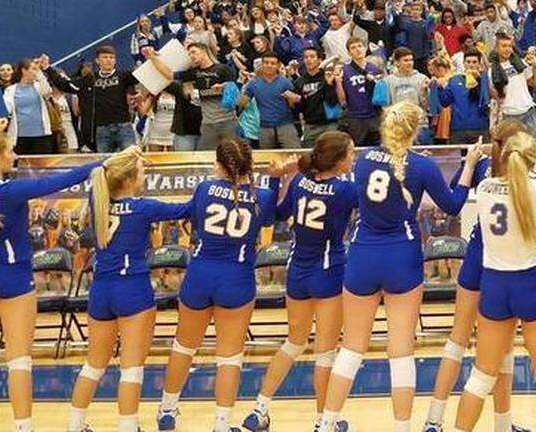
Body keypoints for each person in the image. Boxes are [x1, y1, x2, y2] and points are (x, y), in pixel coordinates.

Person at [318, 102, 482, 432]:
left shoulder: (363, 160)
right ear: (415, 129)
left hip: (363, 255)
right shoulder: (422, 165)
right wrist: (469, 165)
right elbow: (452, 205)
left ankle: (325, 424)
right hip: (401, 257)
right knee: (401, 351)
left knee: (350, 349)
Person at [0, 119, 102, 432]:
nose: (14, 155)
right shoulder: (10, 191)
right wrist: (103, 162)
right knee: (19, 360)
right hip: (12, 277)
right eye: (9, 151)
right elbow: (60, 181)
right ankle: (23, 428)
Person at [450, 130, 536, 432]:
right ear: (532, 160)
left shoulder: (484, 188)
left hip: (494, 287)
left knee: (481, 376)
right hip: (531, 284)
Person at [156, 139, 288, 432]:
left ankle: (166, 411)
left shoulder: (204, 189)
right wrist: (275, 179)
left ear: (219, 164)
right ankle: (221, 424)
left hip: (200, 274)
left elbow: (195, 218)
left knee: (183, 347)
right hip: (236, 278)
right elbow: (269, 220)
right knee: (229, 357)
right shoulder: (263, 195)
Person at [66, 146, 191, 432]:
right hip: (133, 289)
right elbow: (186, 209)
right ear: (128, 180)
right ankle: (128, 426)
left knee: (93, 365)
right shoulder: (143, 207)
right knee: (131, 368)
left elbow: (102, 171)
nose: (145, 176)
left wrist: (124, 156)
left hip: (101, 291)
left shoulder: (98, 200)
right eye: (142, 172)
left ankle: (75, 425)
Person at [243, 132, 358, 432]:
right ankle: (324, 421)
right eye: (351, 154)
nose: (354, 158)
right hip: (328, 271)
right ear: (338, 160)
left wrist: (278, 177)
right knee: (325, 353)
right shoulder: (345, 190)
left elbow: (277, 214)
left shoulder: (299, 181)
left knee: (293, 342)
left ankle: (259, 408)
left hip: (297, 272)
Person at [46, 46, 139, 153]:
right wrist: (48, 68)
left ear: (115, 61)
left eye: (111, 57)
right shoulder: (89, 80)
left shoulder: (123, 76)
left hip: (124, 126)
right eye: (105, 57)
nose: (109, 60)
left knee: (130, 157)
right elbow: (66, 85)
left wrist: (150, 57)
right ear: (97, 61)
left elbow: (143, 75)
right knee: (104, 161)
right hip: (101, 129)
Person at [181, 43, 238, 150]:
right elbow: (171, 76)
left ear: (204, 51)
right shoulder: (192, 73)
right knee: (204, 155)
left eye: (193, 52)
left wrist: (223, 86)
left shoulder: (222, 69)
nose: (191, 56)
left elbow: (234, 89)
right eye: (189, 54)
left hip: (228, 121)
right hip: (208, 123)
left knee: (232, 152)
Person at [239, 53, 302, 149]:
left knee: (294, 152)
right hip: (264, 127)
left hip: (285, 125)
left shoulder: (285, 82)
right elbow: (241, 103)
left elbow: (293, 106)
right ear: (262, 64)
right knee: (267, 156)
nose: (269, 65)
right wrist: (242, 83)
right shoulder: (253, 84)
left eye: (272, 63)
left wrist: (294, 99)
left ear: (278, 66)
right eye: (266, 63)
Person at [334, 37, 382, 147]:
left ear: (365, 48)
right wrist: (338, 82)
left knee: (376, 149)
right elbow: (342, 101)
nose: (357, 49)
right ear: (349, 52)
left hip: (373, 116)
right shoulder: (344, 70)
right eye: (353, 48)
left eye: (360, 46)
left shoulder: (375, 69)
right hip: (354, 117)